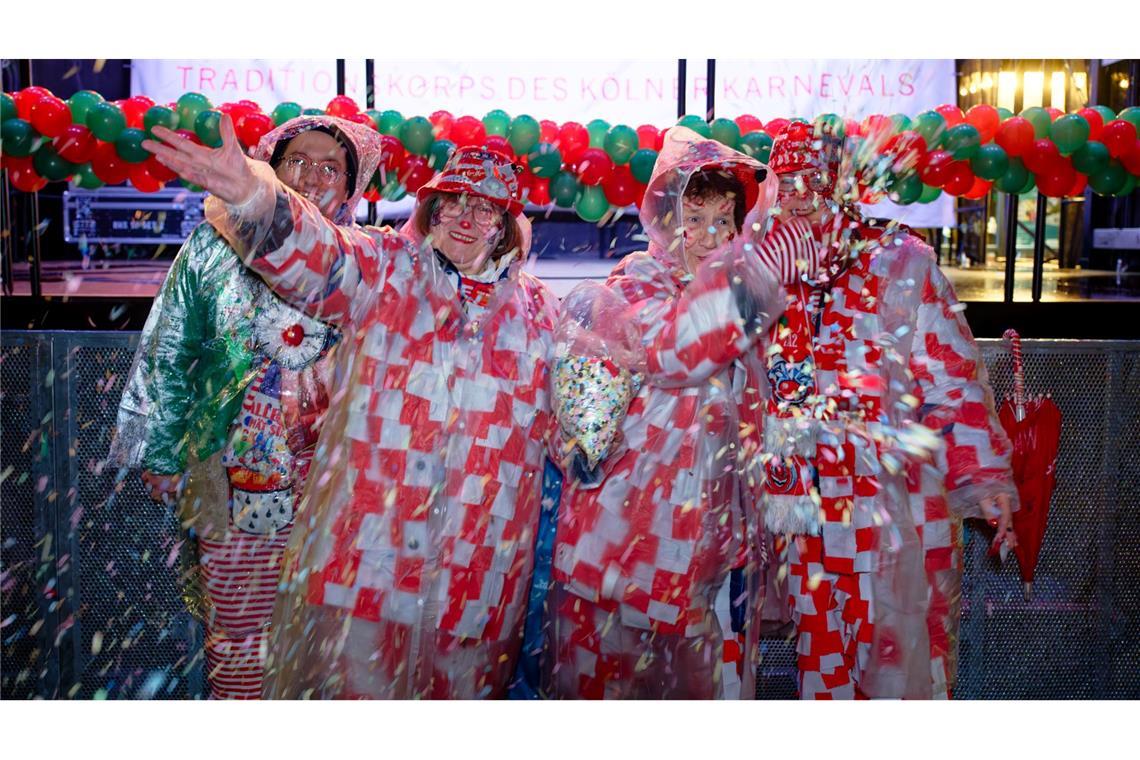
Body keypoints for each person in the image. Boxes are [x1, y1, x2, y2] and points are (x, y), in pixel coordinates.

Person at [142, 117, 559, 699]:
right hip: (368, 559)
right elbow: (316, 256)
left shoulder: (542, 316)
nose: (465, 220)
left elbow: (574, 427)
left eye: (484, 209)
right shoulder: (384, 271)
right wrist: (255, 198)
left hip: (474, 571)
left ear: (507, 226)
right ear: (429, 213)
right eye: (451, 205)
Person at [111, 114, 379, 699]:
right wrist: (162, 450)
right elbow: (171, 344)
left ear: (352, 187)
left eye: (330, 167)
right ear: (270, 169)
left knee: (329, 627)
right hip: (231, 470)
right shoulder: (215, 241)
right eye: (297, 162)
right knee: (238, 628)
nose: (311, 177)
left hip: (338, 481)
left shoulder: (367, 261)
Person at [752, 121, 1019, 699]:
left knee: (903, 679)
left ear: (840, 183)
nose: (798, 195)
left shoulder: (898, 261)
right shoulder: (763, 271)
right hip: (804, 520)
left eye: (812, 180)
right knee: (822, 673)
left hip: (891, 518)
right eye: (786, 181)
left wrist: (985, 475)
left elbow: (955, 379)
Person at [544, 126, 783, 699]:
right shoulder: (630, 289)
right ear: (663, 221)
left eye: (723, 221)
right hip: (618, 553)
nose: (707, 237)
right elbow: (677, 351)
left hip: (704, 556)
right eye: (692, 218)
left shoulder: (744, 304)